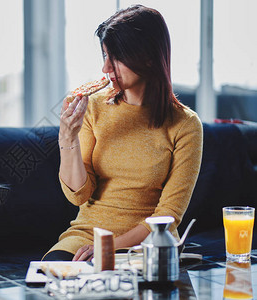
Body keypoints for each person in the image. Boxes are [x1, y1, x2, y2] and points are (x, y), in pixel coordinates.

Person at [43, 5, 203, 262]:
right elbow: (78, 195)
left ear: (148, 57)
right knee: (52, 275)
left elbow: (169, 214)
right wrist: (67, 138)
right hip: (88, 236)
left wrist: (109, 247)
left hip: (150, 243)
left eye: (116, 57)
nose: (106, 68)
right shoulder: (93, 108)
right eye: (104, 56)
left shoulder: (185, 124)